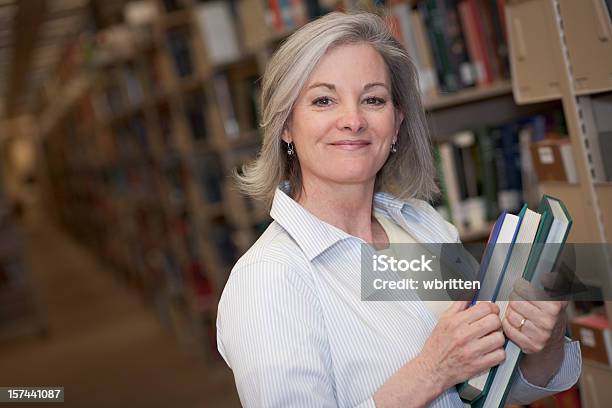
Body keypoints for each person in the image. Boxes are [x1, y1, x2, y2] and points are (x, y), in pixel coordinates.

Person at [216, 11, 580, 408]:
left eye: (373, 99)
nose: (353, 120)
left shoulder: (422, 226)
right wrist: (431, 372)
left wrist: (542, 339)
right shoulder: (268, 280)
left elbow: (492, 387)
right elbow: (445, 369)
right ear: (285, 125)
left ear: (397, 121)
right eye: (324, 100)